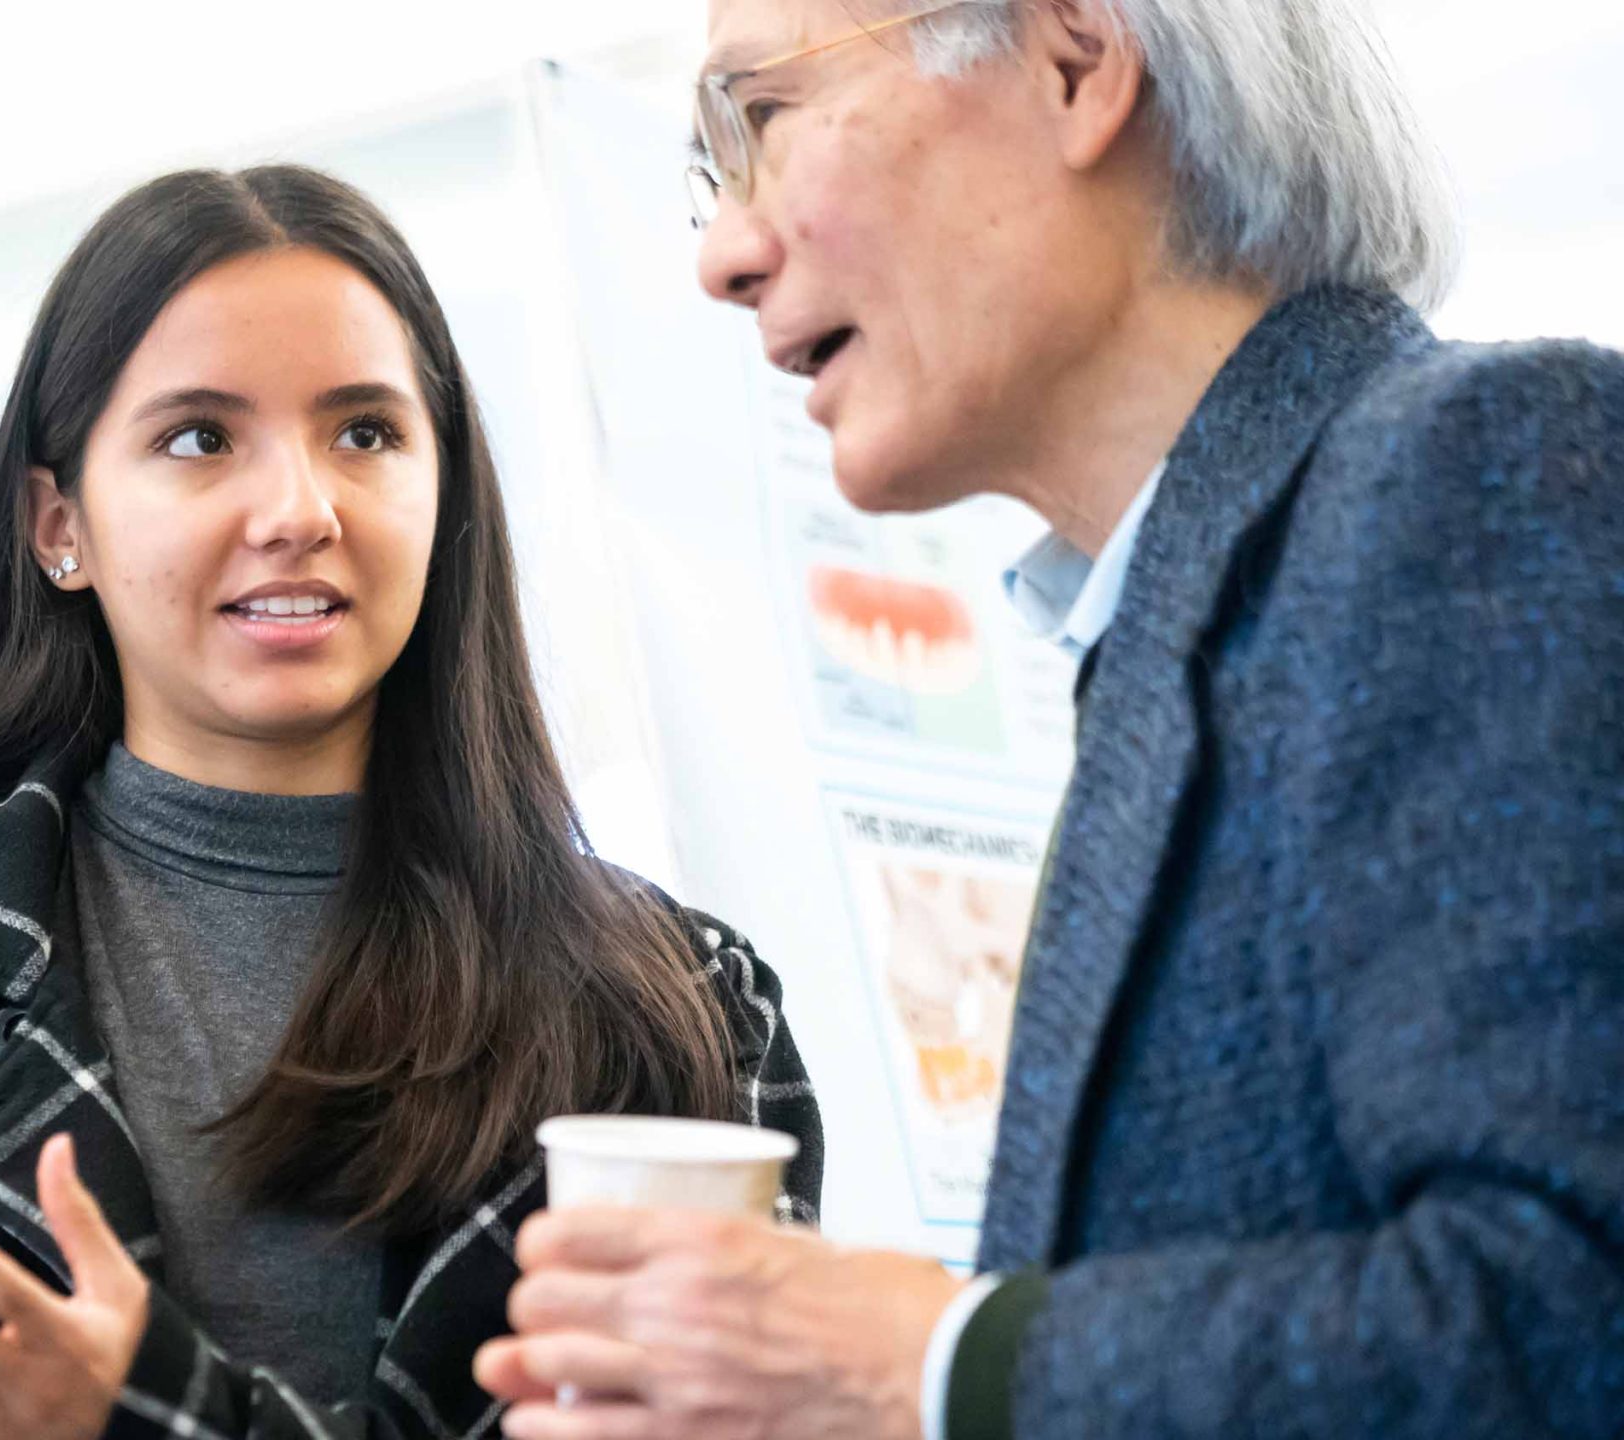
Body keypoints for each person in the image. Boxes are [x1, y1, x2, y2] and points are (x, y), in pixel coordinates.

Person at [0, 164, 824, 1440]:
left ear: (447, 489)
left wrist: (149, 1419)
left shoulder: (686, 1020)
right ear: (59, 527)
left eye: (365, 433)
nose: (300, 510)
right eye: (200, 439)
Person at [479, 1, 1624, 1437]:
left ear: (1076, 62)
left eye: (758, 121)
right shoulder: (1176, 619)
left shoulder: (1472, 474)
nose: (723, 253)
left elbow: (1577, 1317)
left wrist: (929, 1363)